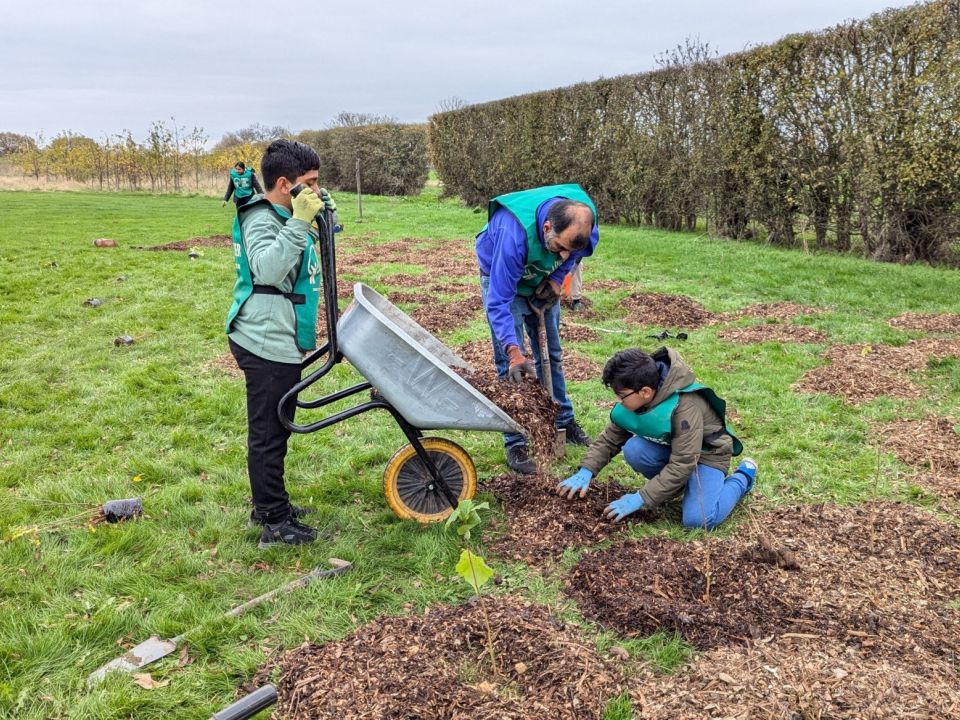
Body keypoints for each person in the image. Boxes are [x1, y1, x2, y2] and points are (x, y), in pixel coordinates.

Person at [225, 140, 336, 548]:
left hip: (279, 337)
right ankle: (272, 521)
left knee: (277, 427)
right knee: (269, 433)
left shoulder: (285, 213)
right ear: (285, 184)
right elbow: (269, 270)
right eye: (310, 184)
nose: (317, 191)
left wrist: (316, 216)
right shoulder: (262, 219)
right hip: (263, 340)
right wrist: (300, 221)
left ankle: (272, 503)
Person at [556, 347, 757, 529]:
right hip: (675, 449)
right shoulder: (639, 394)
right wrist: (586, 471)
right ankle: (682, 488)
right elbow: (610, 439)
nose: (618, 401)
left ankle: (743, 477)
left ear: (645, 392)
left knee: (700, 520)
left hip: (707, 454)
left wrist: (642, 498)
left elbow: (684, 462)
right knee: (635, 449)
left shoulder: (684, 407)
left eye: (621, 395)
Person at [476, 183, 599, 475]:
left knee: (553, 354)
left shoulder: (584, 225)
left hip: (541, 276)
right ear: (546, 227)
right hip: (503, 279)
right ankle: (515, 440)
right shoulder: (513, 234)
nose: (565, 255)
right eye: (559, 248)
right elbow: (499, 301)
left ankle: (563, 420)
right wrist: (514, 350)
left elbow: (575, 256)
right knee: (512, 367)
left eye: (569, 250)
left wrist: (557, 277)